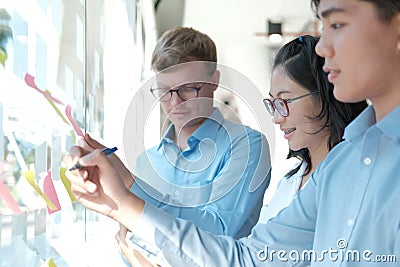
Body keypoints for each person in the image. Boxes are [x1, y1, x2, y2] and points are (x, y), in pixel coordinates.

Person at [65, 0, 400, 265]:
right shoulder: (341, 165)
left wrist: (129, 199)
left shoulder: (251, 147)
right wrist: (122, 200)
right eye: (164, 91)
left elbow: (223, 235)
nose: (324, 46)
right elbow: (248, 259)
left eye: (337, 24)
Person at [81, 26, 271, 265]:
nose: (175, 102)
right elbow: (129, 242)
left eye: (188, 89)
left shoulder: (248, 146)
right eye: (164, 91)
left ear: (214, 81)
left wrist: (130, 186)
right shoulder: (147, 161)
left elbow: (218, 232)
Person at [258, 35, 367, 224]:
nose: (277, 118)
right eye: (274, 104)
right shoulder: (291, 179)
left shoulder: (355, 175)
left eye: (285, 101)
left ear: (325, 93)